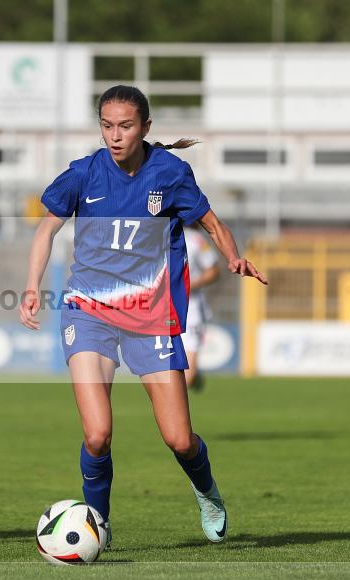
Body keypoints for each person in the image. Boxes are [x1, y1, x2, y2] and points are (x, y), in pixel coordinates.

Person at [19, 85, 267, 546]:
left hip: (150, 315)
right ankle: (98, 521)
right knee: (97, 435)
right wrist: (33, 285)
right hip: (88, 310)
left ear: (146, 128)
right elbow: (46, 228)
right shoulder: (82, 174)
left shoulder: (170, 173)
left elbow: (212, 224)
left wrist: (233, 257)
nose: (115, 135)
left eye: (126, 126)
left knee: (179, 439)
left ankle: (207, 490)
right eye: (107, 126)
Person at [181, 224, 220, 391]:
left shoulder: (195, 239)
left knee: (186, 377)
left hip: (191, 310)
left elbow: (213, 271)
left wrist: (188, 285)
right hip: (160, 310)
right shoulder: (154, 235)